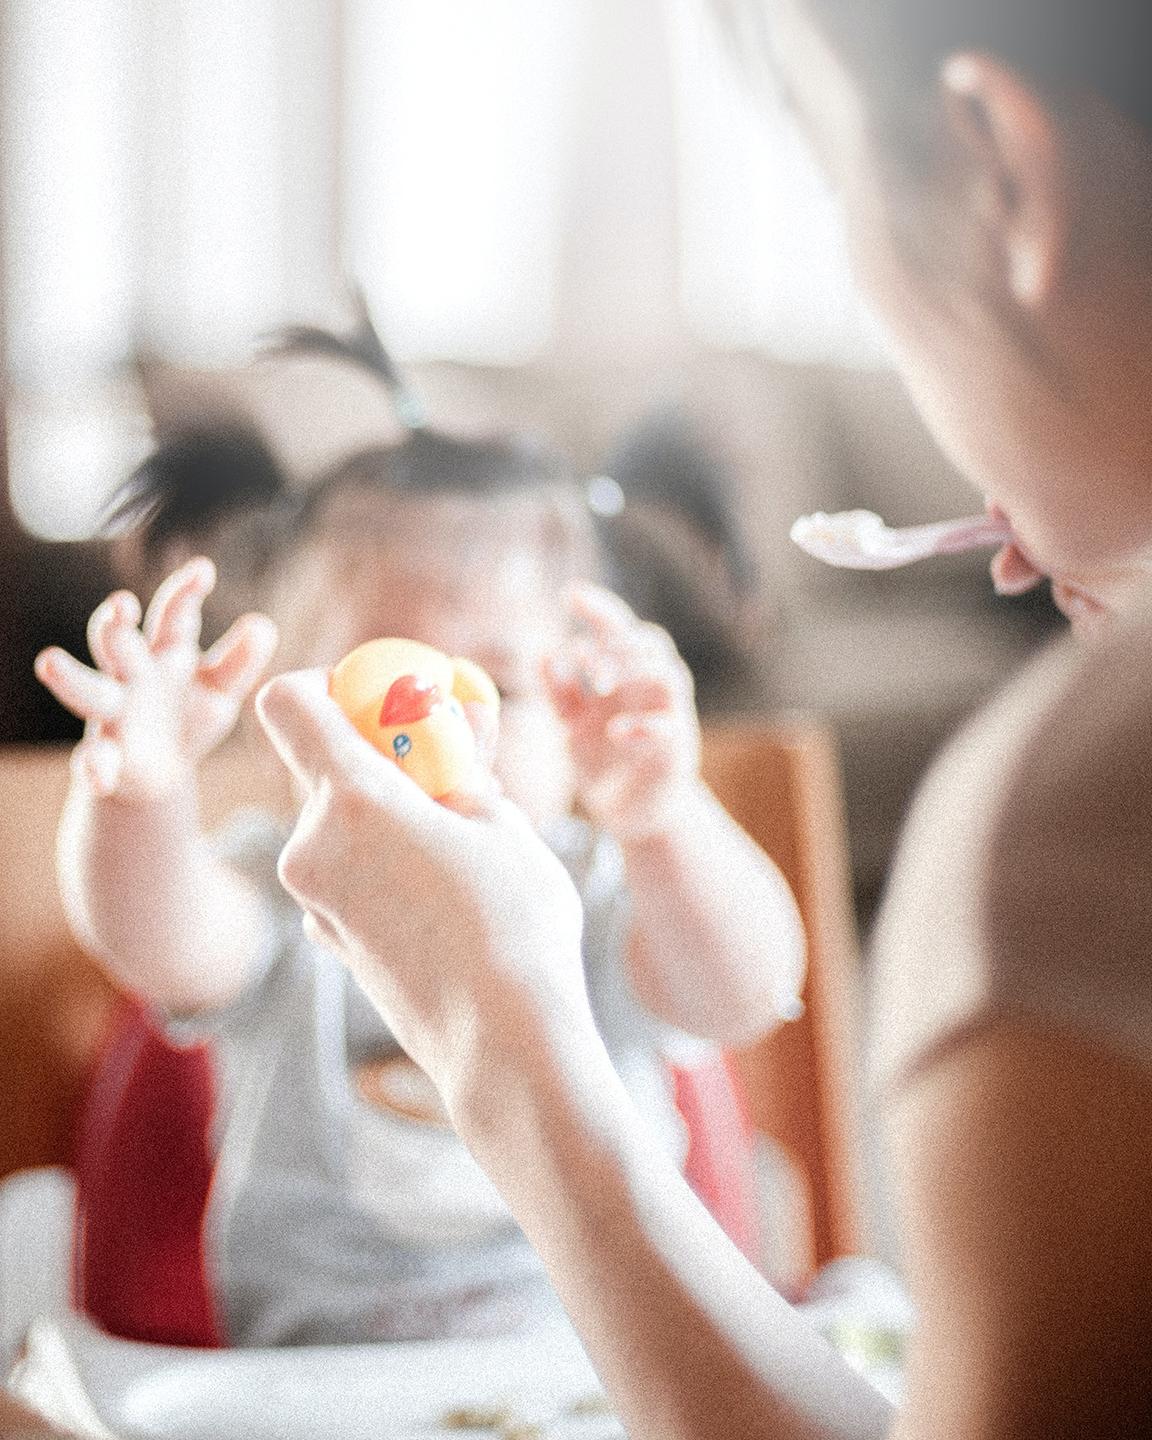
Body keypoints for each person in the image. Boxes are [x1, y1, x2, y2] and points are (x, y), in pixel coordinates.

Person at [249, 0, 1152, 1435]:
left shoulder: (1076, 811)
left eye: (825, 170)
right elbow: (165, 942)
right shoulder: (279, 866)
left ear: (1003, 171)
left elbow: (744, 983)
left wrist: (515, 1021)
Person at [32, 326, 805, 1347]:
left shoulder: (602, 896)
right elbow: (151, 934)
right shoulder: (288, 889)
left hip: (608, 1376)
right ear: (282, 709)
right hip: (318, 1389)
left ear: (578, 720)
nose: (440, 738)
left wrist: (663, 814)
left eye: (500, 688)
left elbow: (745, 990)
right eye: (385, 688)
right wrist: (144, 790)